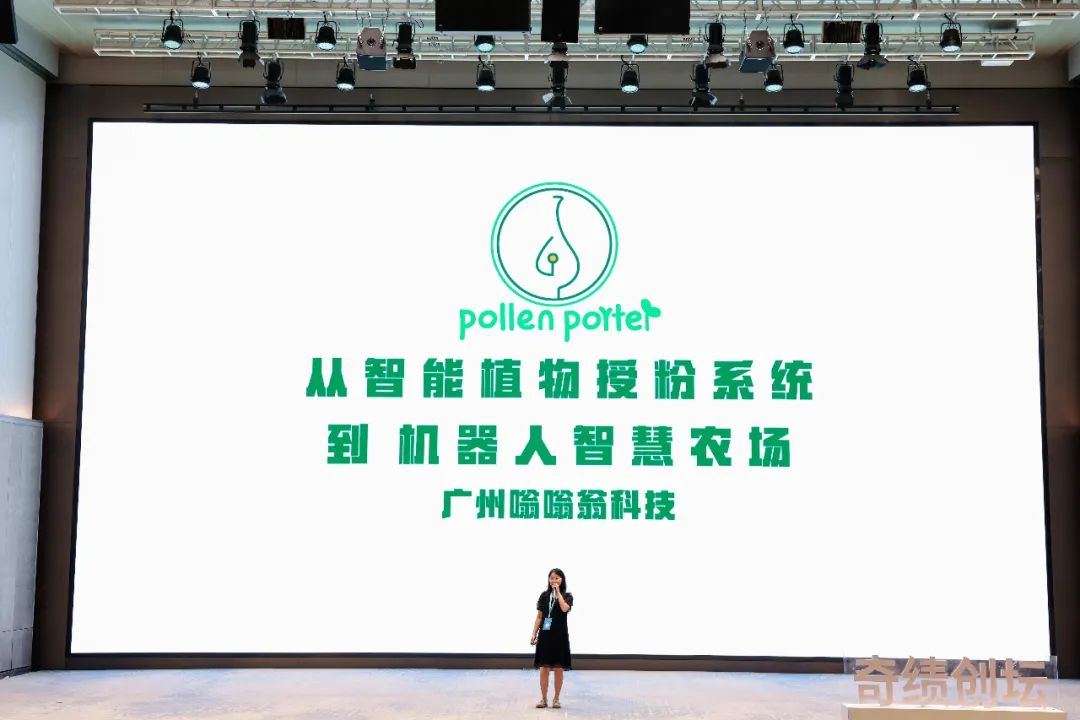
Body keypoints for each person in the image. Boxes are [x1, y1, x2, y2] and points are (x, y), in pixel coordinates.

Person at [530, 568, 573, 709]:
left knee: (559, 668)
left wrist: (558, 592)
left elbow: (564, 608)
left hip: (560, 636)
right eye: (552, 578)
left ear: (562, 580)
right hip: (545, 636)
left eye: (557, 578)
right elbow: (539, 617)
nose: (554, 580)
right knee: (544, 667)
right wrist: (534, 633)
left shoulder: (567, 596)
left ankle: (556, 699)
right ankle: (543, 699)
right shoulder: (544, 596)